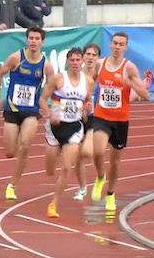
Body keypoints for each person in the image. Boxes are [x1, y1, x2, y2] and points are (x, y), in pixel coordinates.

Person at [0, 25, 55, 200]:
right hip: (12, 109)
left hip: (31, 110)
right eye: (31, 38)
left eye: (37, 39)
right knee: (10, 152)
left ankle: (12, 186)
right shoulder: (16, 58)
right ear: (27, 40)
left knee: (26, 145)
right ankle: (16, 141)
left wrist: (48, 106)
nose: (33, 41)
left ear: (42, 42)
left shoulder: (46, 65)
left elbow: (52, 87)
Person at [90, 32, 150, 211]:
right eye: (114, 43)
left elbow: (145, 95)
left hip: (121, 120)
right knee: (98, 151)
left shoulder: (129, 68)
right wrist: (86, 98)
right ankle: (100, 176)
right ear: (110, 45)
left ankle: (110, 193)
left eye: (120, 44)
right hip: (101, 115)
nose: (117, 47)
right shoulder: (100, 64)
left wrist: (127, 82)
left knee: (115, 161)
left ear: (126, 47)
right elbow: (91, 80)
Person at [39, 47, 95, 218]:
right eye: (72, 60)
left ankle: (53, 204)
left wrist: (87, 109)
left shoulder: (89, 82)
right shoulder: (58, 79)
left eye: (78, 60)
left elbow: (87, 106)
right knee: (49, 170)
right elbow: (42, 99)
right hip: (55, 127)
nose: (75, 63)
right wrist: (49, 114)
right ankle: (53, 159)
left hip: (74, 127)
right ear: (67, 62)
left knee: (66, 167)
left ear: (82, 62)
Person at [72, 43, 101, 201]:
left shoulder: (101, 74)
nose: (90, 57)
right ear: (83, 57)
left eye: (94, 55)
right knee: (77, 156)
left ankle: (100, 176)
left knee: (87, 152)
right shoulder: (78, 75)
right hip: (77, 117)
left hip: (96, 118)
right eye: (88, 54)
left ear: (98, 58)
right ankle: (82, 188)